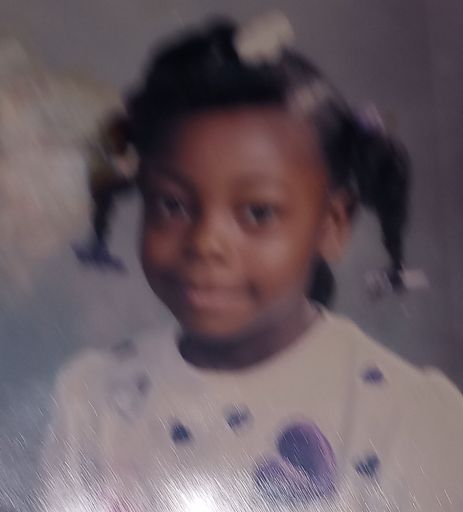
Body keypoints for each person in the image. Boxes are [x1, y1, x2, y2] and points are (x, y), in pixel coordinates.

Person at [41, 13, 463, 512]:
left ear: (332, 224)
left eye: (257, 213)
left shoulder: (408, 419)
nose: (205, 243)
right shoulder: (93, 399)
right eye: (172, 204)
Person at [73, 111, 139, 270]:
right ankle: (98, 245)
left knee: (104, 194)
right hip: (129, 170)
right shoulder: (119, 130)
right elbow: (115, 155)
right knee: (103, 195)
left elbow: (124, 160)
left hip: (145, 174)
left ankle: (98, 245)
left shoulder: (132, 134)